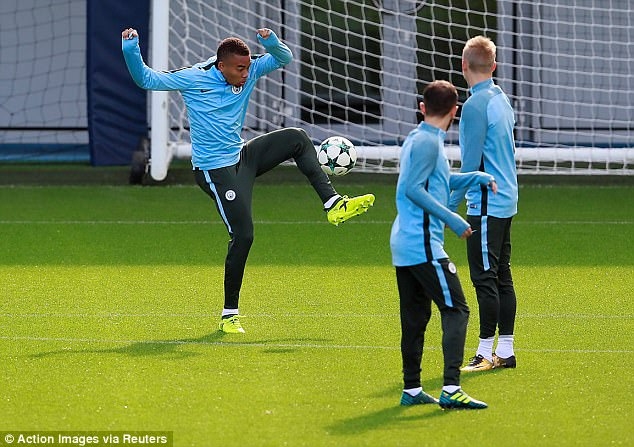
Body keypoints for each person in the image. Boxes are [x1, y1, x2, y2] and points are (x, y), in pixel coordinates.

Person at [121, 28, 375, 334]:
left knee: (297, 138)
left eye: (247, 68)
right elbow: (146, 79)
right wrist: (130, 48)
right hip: (214, 171)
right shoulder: (193, 77)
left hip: (242, 157)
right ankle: (229, 315)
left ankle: (333, 204)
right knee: (243, 236)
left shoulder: (251, 67)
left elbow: (284, 57)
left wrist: (270, 43)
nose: (245, 74)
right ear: (221, 66)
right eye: (239, 69)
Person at [391, 80, 496, 410]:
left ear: (422, 108)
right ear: (455, 111)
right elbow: (413, 189)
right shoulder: (428, 143)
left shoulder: (419, 137)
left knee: (416, 317)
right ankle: (451, 387)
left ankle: (411, 389)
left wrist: (474, 177)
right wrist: (453, 218)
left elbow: (436, 181)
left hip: (405, 243)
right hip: (423, 244)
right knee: (457, 309)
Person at [448, 35, 519, 372]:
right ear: (494, 66)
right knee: (501, 275)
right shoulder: (501, 98)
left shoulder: (475, 106)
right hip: (506, 197)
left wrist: (448, 207)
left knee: (484, 278)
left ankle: (484, 353)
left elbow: (470, 166)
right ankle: (505, 351)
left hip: (487, 202)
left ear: (463, 65)